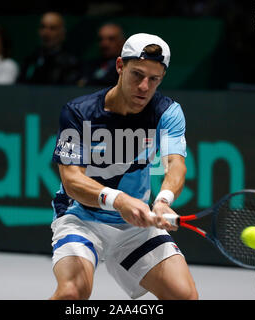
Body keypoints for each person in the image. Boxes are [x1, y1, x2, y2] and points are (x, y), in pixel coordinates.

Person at [50, 33, 198, 300]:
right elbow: (72, 181)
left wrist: (163, 200)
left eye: (154, 79)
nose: (144, 86)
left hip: (135, 227)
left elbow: (175, 164)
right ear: (120, 66)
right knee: (72, 293)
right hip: (81, 218)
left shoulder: (167, 112)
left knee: (184, 297)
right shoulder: (79, 112)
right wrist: (120, 201)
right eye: (137, 75)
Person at [17, 12, 80, 85]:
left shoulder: (71, 63)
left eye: (52, 28)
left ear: (62, 33)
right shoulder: (30, 60)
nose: (46, 33)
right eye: (43, 27)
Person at [78, 23, 125, 87]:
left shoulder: (125, 67)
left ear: (122, 41)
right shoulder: (87, 66)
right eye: (100, 39)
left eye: (111, 39)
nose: (104, 44)